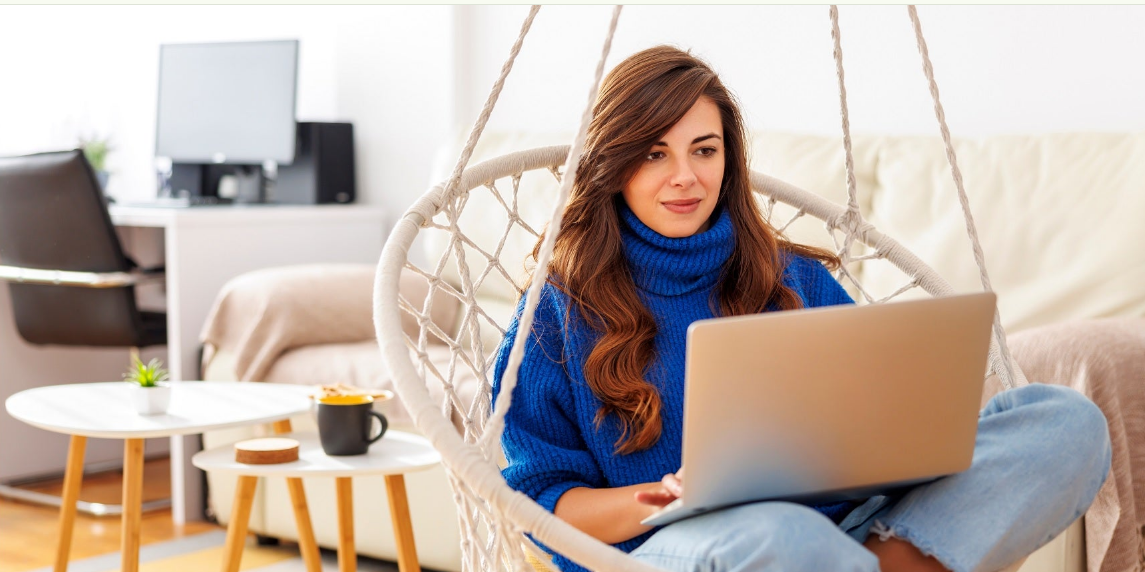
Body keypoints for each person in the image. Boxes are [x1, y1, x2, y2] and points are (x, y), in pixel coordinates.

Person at [491, 45, 1110, 572]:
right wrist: (666, 496)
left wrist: (904, 443)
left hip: (850, 525)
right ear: (614, 163)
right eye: (654, 154)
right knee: (782, 533)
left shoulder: (788, 276)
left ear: (727, 159)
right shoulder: (556, 313)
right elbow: (541, 504)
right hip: (682, 546)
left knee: (1063, 423)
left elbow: (872, 414)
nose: (685, 176)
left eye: (703, 150)